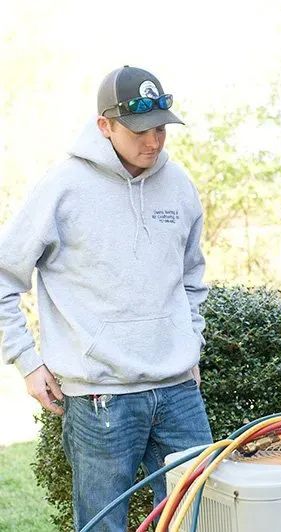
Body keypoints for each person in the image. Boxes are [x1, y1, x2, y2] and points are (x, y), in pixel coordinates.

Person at [0, 65, 212, 530]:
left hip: (178, 391)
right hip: (102, 398)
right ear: (105, 126)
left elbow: (193, 277)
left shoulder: (179, 186)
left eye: (160, 128)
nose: (153, 142)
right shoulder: (63, 189)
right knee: (102, 525)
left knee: (200, 517)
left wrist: (190, 341)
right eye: (139, 131)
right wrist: (28, 362)